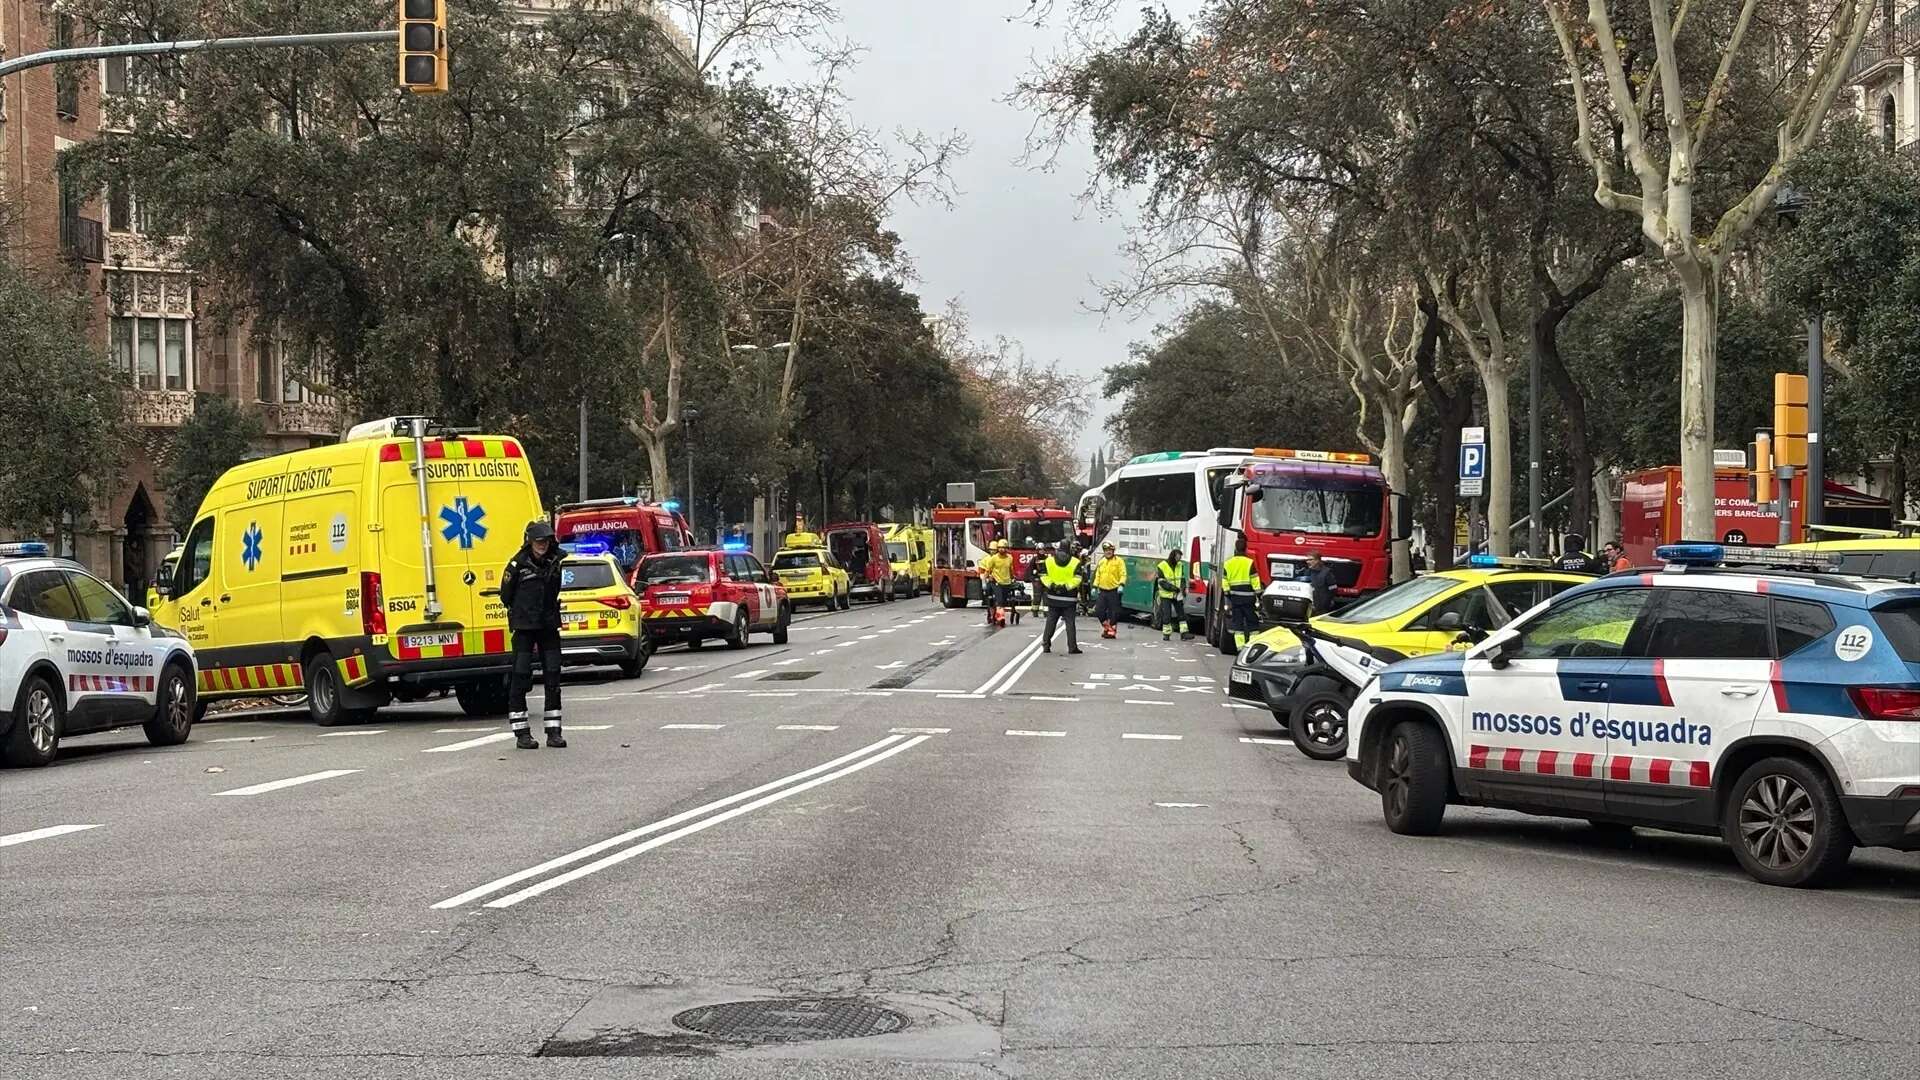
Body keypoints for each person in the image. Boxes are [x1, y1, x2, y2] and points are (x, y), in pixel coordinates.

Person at [500, 520, 567, 749]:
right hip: (525, 626)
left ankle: (554, 732)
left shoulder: (556, 561)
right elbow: (505, 595)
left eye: (546, 541)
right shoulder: (517, 565)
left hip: (548, 624)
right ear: (530, 541)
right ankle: (522, 734)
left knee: (553, 675)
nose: (542, 545)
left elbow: (555, 588)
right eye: (538, 541)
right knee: (520, 676)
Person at [1038, 541, 1085, 654]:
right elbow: (1078, 578)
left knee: (1051, 621)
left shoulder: (1048, 561)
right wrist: (1066, 587)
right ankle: (1072, 647)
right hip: (1069, 598)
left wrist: (1053, 585)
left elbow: (1043, 576)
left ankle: (1046, 644)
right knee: (1070, 624)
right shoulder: (1075, 562)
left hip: (1053, 596)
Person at [1221, 536, 1263, 649]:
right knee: (1252, 623)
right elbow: (1255, 580)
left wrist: (1227, 593)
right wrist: (1259, 594)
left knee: (1237, 623)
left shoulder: (1228, 563)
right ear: (1245, 549)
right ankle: (1251, 647)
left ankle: (1240, 647)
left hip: (1235, 599)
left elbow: (1224, 580)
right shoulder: (1249, 563)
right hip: (1249, 599)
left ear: (1235, 549)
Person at [1092, 540, 1126, 639]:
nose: (1108, 552)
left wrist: (1121, 585)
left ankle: (1111, 631)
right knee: (1099, 610)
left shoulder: (1119, 561)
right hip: (1102, 590)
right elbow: (1098, 575)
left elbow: (1123, 574)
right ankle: (1107, 627)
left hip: (1114, 590)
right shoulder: (1102, 561)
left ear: (1113, 550)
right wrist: (1094, 586)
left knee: (1114, 612)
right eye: (1106, 550)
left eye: (1110, 550)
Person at [1153, 547, 1189, 640]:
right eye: (1177, 557)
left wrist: (1183, 588)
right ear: (1173, 556)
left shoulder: (1180, 565)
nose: (1178, 560)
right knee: (1167, 615)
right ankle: (1166, 634)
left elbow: (1182, 578)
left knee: (1181, 613)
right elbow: (1161, 582)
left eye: (1180, 558)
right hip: (1166, 594)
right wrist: (1174, 588)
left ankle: (1184, 633)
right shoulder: (1162, 566)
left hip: (1177, 594)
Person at [978, 539, 1015, 627]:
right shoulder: (990, 559)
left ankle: (997, 614)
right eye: (992, 550)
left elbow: (1011, 569)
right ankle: (997, 617)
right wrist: (985, 580)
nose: (993, 551)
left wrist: (1013, 578)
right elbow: (985, 571)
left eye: (1004, 548)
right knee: (996, 600)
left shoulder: (1009, 558)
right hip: (994, 582)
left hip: (1006, 582)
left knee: (1003, 601)